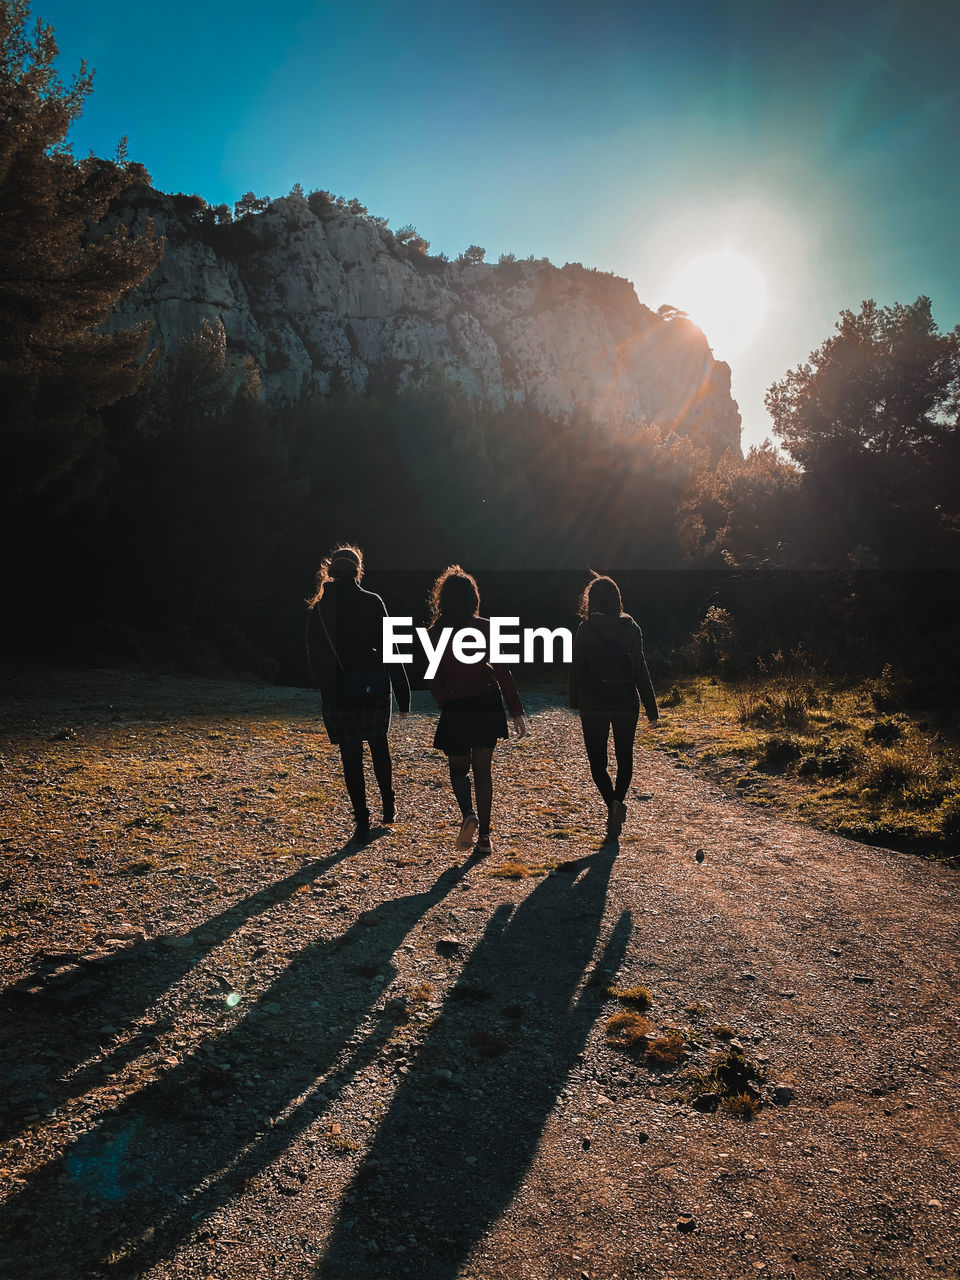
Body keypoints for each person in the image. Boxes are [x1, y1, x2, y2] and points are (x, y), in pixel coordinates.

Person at [306, 545, 410, 844]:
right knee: (379, 745)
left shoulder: (320, 608)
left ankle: (361, 819)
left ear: (331, 572)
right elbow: (391, 650)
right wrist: (403, 696)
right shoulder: (373, 601)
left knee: (350, 755)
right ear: (358, 570)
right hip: (375, 688)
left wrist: (327, 691)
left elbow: (314, 657)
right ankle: (388, 805)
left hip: (339, 693)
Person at [427, 565, 527, 856]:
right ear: (473, 598)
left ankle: (468, 812)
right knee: (483, 772)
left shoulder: (435, 633)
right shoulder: (486, 627)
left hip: (457, 707)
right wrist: (516, 711)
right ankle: (484, 837)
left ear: (442, 598)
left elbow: (433, 678)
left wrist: (446, 704)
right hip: (486, 704)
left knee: (459, 770)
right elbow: (503, 672)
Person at [569, 572, 659, 840]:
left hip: (593, 703)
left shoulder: (586, 629)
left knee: (598, 764)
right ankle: (617, 802)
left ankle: (612, 805)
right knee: (625, 758)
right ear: (617, 600)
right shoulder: (632, 628)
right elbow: (641, 670)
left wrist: (574, 698)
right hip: (626, 702)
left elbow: (577, 668)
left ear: (591, 600)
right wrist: (651, 711)